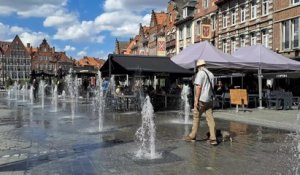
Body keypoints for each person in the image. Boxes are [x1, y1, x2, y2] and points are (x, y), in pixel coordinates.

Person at [183, 59, 217, 145]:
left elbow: (198, 87)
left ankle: (192, 136)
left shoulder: (200, 73)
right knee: (210, 119)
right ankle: (213, 138)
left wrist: (196, 100)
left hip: (201, 100)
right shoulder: (211, 74)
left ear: (199, 66)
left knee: (196, 117)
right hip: (209, 99)